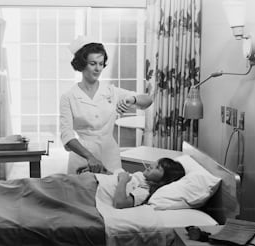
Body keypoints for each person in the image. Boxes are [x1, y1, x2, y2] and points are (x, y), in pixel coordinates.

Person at [60, 36, 153, 174]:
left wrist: (132, 99)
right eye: (92, 63)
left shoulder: (111, 91)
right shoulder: (68, 97)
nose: (98, 69)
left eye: (101, 64)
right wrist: (89, 157)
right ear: (81, 64)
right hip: (82, 156)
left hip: (110, 154)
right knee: (82, 193)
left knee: (114, 190)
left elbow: (147, 100)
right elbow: (67, 136)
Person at [113, 157, 185, 209]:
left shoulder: (144, 189)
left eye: (157, 168)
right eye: (155, 163)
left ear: (164, 179)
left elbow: (119, 203)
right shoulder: (142, 177)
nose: (152, 166)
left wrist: (123, 180)